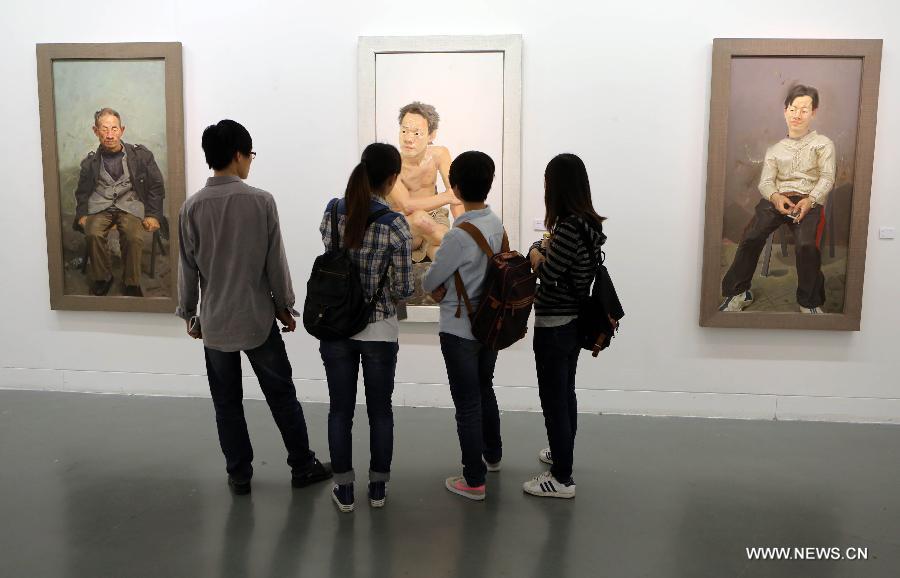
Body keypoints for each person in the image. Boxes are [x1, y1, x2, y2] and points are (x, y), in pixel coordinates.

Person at [176, 119, 331, 496]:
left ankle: (239, 474)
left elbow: (187, 266)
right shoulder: (260, 201)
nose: (251, 162)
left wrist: (190, 312)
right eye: (250, 154)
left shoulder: (191, 207)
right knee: (282, 395)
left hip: (214, 321)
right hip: (257, 319)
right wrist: (285, 306)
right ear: (237, 155)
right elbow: (274, 262)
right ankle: (301, 465)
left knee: (226, 403)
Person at [318, 143, 414, 513]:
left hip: (337, 329)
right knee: (380, 412)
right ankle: (377, 489)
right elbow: (405, 288)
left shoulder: (333, 211)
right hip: (379, 333)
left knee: (340, 411)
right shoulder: (395, 225)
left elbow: (331, 255)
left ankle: (344, 490)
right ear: (391, 179)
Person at [422, 151, 504, 501]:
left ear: (454, 187)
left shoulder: (458, 235)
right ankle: (493, 455)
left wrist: (436, 281)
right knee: (485, 389)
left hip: (459, 329)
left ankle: (474, 480)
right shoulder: (495, 223)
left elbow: (430, 281)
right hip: (490, 324)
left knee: (467, 403)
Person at [524, 153, 606, 499]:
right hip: (571, 322)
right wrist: (545, 247)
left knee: (554, 399)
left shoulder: (569, 226)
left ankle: (561, 478)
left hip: (556, 324)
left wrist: (533, 252)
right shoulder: (586, 224)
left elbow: (548, 271)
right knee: (564, 394)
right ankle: (561, 455)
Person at [720, 84, 836, 314]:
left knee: (805, 245)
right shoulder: (775, 149)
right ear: (785, 111)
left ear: (814, 112)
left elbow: (827, 177)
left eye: (804, 110)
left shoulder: (823, 144)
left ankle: (809, 302)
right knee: (751, 236)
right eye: (793, 109)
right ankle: (739, 292)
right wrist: (775, 197)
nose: (797, 115)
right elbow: (765, 182)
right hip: (777, 199)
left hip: (808, 200)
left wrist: (810, 200)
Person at [73, 108, 166, 297]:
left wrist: (153, 215)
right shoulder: (89, 163)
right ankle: (103, 278)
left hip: (130, 205)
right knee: (93, 233)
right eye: (104, 129)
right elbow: (82, 192)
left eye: (114, 129)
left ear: (122, 130)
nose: (109, 135)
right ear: (95, 131)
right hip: (100, 206)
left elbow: (156, 186)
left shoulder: (141, 156)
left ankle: (131, 282)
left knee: (133, 236)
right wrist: (82, 214)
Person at [387, 101, 462, 262]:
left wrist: (463, 223)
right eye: (404, 130)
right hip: (403, 222)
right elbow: (406, 205)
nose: (408, 138)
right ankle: (465, 243)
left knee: (441, 251)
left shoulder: (440, 154)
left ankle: (456, 247)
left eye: (416, 133)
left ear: (431, 135)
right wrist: (446, 196)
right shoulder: (390, 162)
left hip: (434, 218)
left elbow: (457, 196)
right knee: (420, 218)